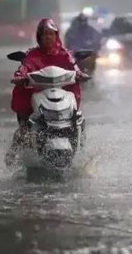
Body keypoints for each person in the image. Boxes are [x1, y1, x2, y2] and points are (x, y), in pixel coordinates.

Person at [6, 18, 86, 165]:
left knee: (79, 119)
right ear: (39, 37)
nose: (49, 37)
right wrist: (20, 77)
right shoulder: (32, 55)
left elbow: (74, 66)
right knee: (23, 130)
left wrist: (80, 74)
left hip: (60, 95)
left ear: (56, 36)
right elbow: (24, 68)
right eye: (45, 34)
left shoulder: (65, 54)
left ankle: (80, 149)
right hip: (37, 97)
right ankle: (12, 155)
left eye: (52, 34)